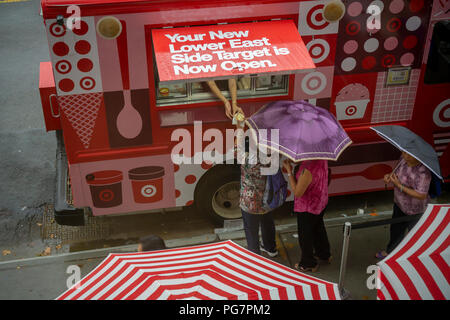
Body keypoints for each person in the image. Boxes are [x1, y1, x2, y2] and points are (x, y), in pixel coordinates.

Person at [235, 115, 278, 257]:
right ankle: (271, 248)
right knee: (268, 223)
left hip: (249, 202)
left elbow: (238, 144)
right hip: (267, 198)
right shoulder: (270, 156)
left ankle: (255, 257)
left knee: (251, 230)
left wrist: (240, 127)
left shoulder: (245, 158)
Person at [375, 151, 431, 259]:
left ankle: (413, 256)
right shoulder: (403, 159)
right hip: (399, 204)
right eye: (404, 153)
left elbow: (421, 195)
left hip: (416, 210)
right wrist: (389, 176)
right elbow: (396, 172)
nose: (405, 156)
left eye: (409, 155)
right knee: (395, 230)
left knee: (415, 234)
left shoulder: (423, 172)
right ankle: (391, 251)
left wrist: (399, 186)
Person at [283, 159, 331, 272]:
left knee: (305, 236)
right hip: (321, 200)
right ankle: (324, 254)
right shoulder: (322, 159)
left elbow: (298, 193)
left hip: (307, 207)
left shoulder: (307, 171)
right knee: (318, 229)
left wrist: (289, 171)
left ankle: (308, 263)